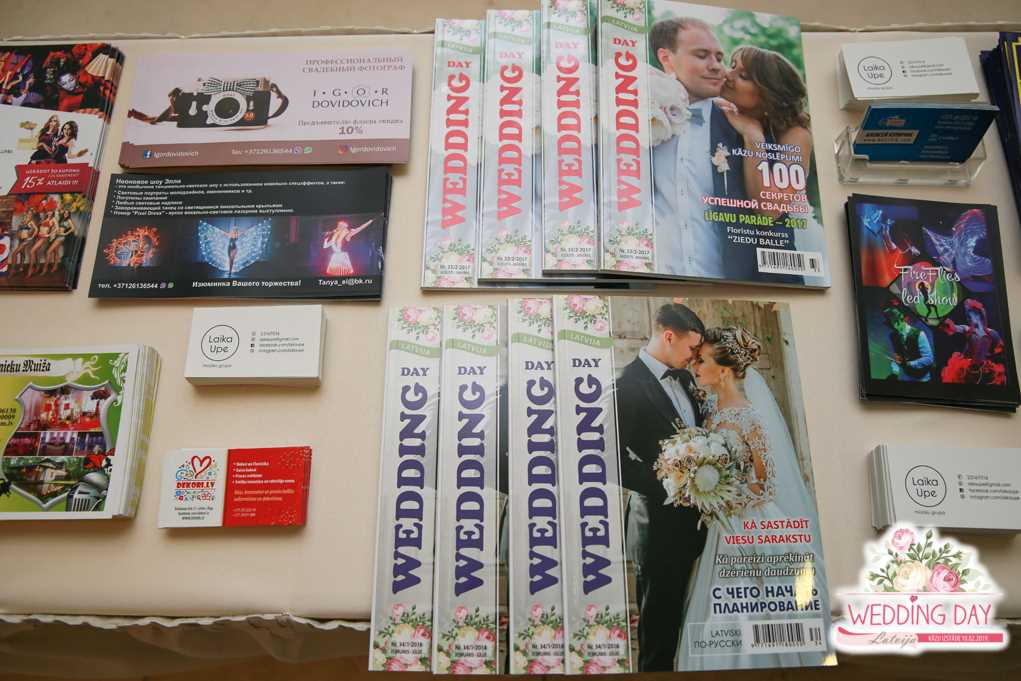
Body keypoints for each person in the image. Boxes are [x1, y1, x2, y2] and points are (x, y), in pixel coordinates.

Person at [680, 326, 830, 670]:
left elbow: (767, 484)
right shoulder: (709, 410)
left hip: (749, 523)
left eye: (701, 360)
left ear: (724, 371)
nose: (695, 366)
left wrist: (724, 498)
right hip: (719, 526)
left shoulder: (750, 417)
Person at [615, 302, 707, 671]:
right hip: (658, 529)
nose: (695, 357)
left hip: (700, 525)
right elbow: (609, 459)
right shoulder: (625, 385)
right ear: (669, 336)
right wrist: (671, 483)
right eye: (692, 348)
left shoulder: (686, 379)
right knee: (659, 635)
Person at [649, 18, 746, 279]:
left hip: (725, 282)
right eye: (702, 55)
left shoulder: (741, 126)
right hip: (655, 277)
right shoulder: (638, 115)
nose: (716, 66)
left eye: (719, 57)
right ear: (666, 58)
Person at [714, 45, 813, 282]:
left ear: (769, 93)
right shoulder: (722, 112)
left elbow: (769, 210)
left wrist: (753, 137)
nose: (728, 75)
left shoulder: (794, 135)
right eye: (732, 66)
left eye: (743, 76)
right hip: (729, 254)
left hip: (772, 262)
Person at [883, 305, 933, 382]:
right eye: (893, 323)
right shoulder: (893, 336)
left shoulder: (919, 334)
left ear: (903, 319)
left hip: (923, 377)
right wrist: (895, 371)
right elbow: (898, 356)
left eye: (898, 321)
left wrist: (909, 364)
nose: (896, 326)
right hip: (907, 376)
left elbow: (929, 359)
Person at [43, 210, 76, 274]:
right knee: (55, 251)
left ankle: (45, 268)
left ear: (69, 214)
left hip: (61, 237)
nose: (66, 214)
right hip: (57, 236)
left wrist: (65, 233)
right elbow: (56, 227)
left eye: (67, 213)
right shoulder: (61, 219)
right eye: (65, 212)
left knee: (48, 251)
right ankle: (55, 266)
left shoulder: (69, 220)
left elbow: (73, 228)